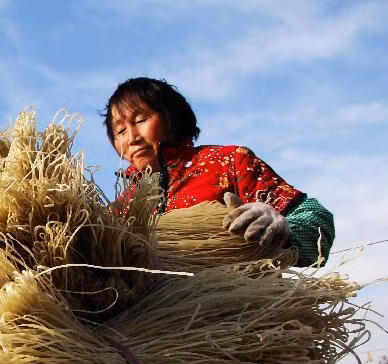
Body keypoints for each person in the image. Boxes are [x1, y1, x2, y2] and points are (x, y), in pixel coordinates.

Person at [103, 77, 334, 267]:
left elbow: (318, 221)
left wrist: (284, 227)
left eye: (141, 119)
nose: (132, 138)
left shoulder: (228, 162)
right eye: (120, 131)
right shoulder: (120, 208)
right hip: (157, 320)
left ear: (171, 117)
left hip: (242, 314)